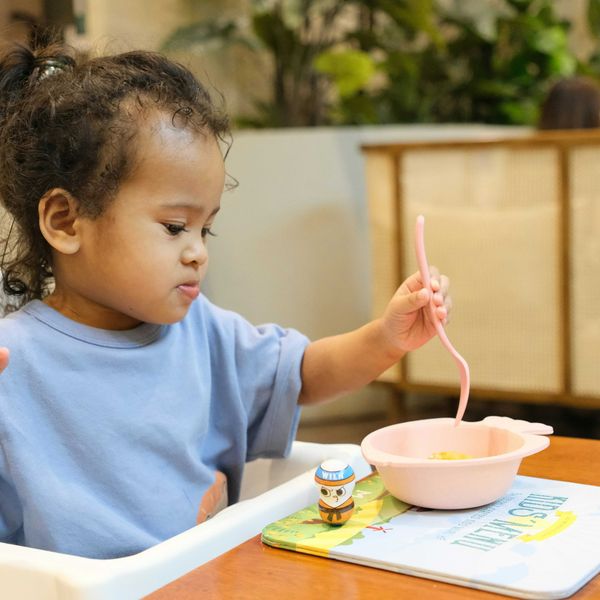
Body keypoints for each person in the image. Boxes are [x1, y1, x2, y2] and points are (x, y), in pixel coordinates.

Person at [0, 40, 451, 559]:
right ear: (65, 221)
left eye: (205, 230)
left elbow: (302, 373)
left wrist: (385, 337)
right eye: (174, 227)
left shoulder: (203, 333)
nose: (197, 254)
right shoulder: (14, 363)